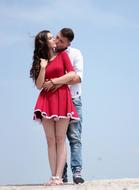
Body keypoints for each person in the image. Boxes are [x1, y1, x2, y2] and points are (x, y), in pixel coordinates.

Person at [30, 30, 79, 185]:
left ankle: (58, 177)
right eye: (51, 38)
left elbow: (71, 74)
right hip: (46, 101)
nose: (55, 40)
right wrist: (43, 68)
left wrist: (54, 82)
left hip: (62, 98)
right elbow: (39, 85)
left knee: (60, 139)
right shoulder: (40, 61)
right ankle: (53, 176)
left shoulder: (63, 55)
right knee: (50, 140)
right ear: (45, 43)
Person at [43, 28, 84, 184]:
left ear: (68, 43)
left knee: (73, 137)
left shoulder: (74, 54)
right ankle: (61, 173)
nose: (58, 41)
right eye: (57, 37)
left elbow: (77, 77)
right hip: (54, 101)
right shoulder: (50, 53)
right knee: (56, 139)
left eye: (61, 40)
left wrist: (55, 82)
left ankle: (77, 171)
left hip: (73, 99)